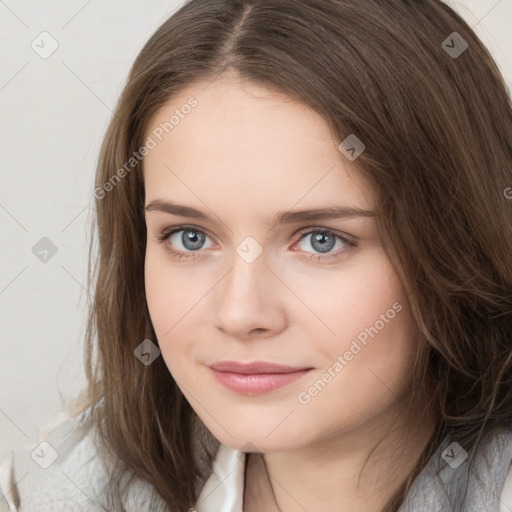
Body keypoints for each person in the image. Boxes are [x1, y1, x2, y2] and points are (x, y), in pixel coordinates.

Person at [1, 0, 512, 510]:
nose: (240, 314)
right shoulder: (50, 488)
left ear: (457, 245)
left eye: (321, 240)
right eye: (190, 237)